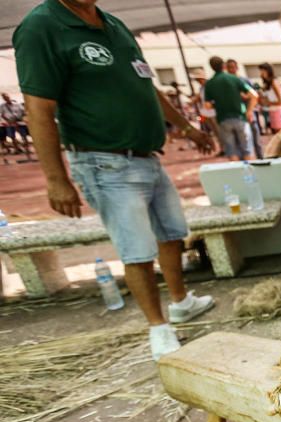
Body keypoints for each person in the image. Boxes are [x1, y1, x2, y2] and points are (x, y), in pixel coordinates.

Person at [13, 0, 217, 360]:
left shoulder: (113, 25)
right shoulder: (41, 27)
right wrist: (55, 178)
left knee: (171, 234)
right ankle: (158, 327)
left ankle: (181, 302)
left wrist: (186, 128)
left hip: (147, 156)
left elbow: (147, 87)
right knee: (137, 251)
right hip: (103, 162)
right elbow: (38, 110)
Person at [203, 55, 257, 161]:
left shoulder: (209, 84)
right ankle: (251, 174)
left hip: (223, 119)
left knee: (231, 150)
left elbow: (207, 105)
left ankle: (236, 174)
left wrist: (218, 104)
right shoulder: (234, 79)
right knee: (247, 149)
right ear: (223, 66)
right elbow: (254, 95)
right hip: (240, 117)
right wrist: (249, 111)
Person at [225, 58, 264, 158]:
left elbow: (254, 95)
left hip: (249, 114)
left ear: (237, 67)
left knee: (256, 140)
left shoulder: (244, 80)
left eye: (233, 67)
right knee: (241, 142)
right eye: (229, 67)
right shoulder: (226, 82)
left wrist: (245, 98)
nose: (231, 69)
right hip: (237, 116)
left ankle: (261, 158)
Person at [259, 63, 281, 133]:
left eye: (262, 70)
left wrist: (268, 103)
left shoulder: (274, 82)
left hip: (278, 111)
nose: (261, 73)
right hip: (272, 111)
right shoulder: (267, 84)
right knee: (278, 136)